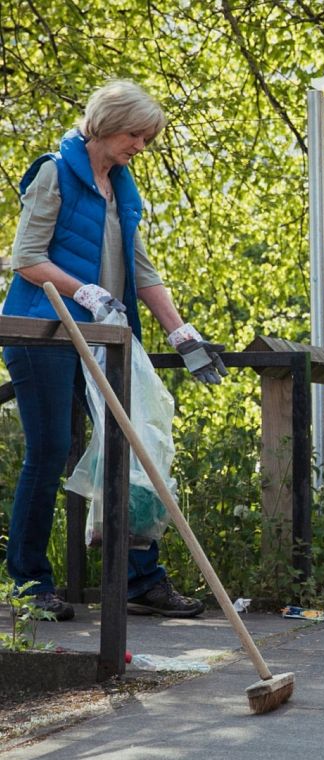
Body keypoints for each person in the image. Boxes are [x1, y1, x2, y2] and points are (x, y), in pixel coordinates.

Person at [2, 80, 226, 621]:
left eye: (146, 139)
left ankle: (138, 580)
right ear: (106, 124)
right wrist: (83, 290)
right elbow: (25, 258)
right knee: (51, 450)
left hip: (105, 338)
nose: (140, 147)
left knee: (130, 451)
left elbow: (141, 268)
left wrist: (179, 330)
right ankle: (30, 584)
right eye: (135, 135)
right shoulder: (55, 171)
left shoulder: (121, 187)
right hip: (43, 334)